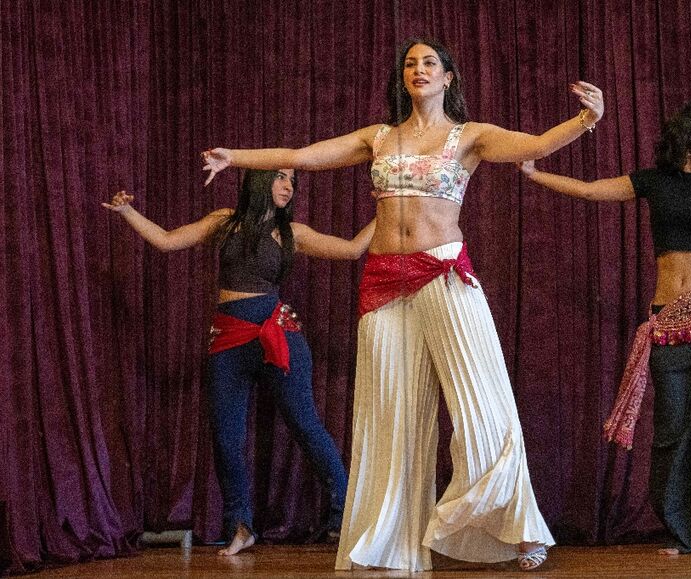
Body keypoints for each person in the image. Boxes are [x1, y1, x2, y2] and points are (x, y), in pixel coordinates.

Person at [201, 38, 603, 571]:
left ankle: (515, 526)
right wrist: (236, 158)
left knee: (482, 401)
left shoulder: (469, 136)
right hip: (385, 281)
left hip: (442, 269)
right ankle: (389, 539)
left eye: (429, 63)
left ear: (448, 78)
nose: (419, 69)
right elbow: (302, 156)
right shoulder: (379, 137)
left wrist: (584, 120)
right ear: (404, 78)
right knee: (387, 412)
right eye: (411, 64)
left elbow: (534, 144)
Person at [518, 102, 691, 555]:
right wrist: (536, 175)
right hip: (669, 327)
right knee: (673, 434)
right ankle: (680, 534)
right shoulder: (653, 181)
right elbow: (591, 191)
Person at [103, 168, 376, 556]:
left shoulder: (292, 233)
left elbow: (351, 249)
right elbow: (166, 241)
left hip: (278, 335)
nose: (288, 187)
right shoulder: (224, 222)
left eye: (293, 182)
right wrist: (128, 213)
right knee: (226, 436)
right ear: (259, 181)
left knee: (304, 424)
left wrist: (387, 207)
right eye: (281, 178)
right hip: (229, 340)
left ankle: (347, 511)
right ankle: (241, 526)